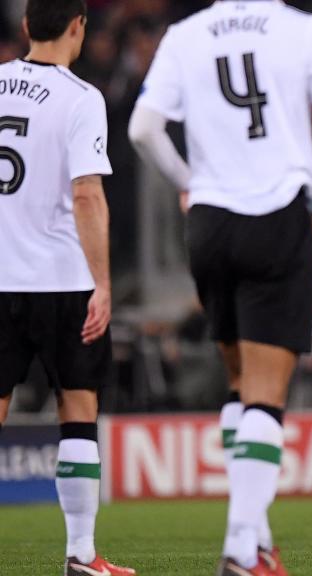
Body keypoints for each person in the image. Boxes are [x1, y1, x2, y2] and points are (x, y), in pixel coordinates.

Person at [127, 1, 312, 573]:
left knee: (238, 383)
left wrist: (189, 183)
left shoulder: (184, 35)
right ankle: (240, 546)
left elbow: (143, 129)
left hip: (209, 222)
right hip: (277, 213)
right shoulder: (304, 31)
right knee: (265, 391)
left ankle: (255, 539)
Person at [0, 1, 134, 574]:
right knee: (77, 411)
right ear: (78, 28)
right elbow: (86, 195)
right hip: (61, 280)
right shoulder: (81, 97)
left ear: (27, 26)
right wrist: (102, 284)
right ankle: (80, 554)